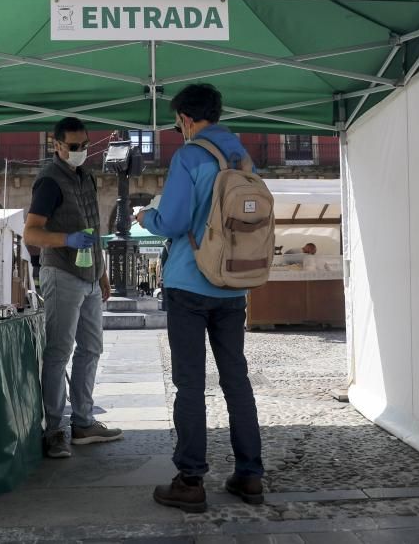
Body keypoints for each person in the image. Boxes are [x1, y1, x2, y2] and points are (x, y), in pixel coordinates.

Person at [137, 83, 264, 513]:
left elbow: (171, 221)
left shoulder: (190, 155)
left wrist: (145, 216)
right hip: (233, 283)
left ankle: (190, 480)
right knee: (236, 382)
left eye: (177, 123)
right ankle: (250, 474)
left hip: (190, 282)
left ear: (187, 119)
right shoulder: (243, 157)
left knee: (190, 384)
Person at [24, 117, 122, 459]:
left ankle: (83, 423)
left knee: (91, 348)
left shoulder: (86, 177)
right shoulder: (49, 181)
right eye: (75, 147)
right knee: (59, 351)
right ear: (57, 146)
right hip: (62, 273)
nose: (82, 152)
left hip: (91, 277)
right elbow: (31, 233)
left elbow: (93, 227)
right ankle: (54, 430)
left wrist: (103, 273)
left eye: (85, 146)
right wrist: (66, 239)